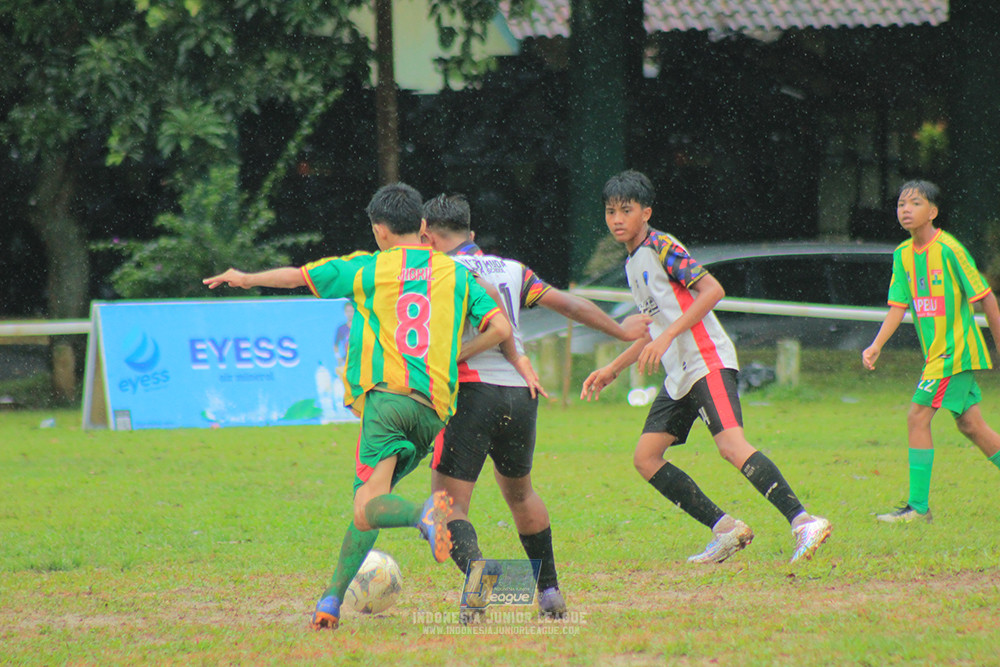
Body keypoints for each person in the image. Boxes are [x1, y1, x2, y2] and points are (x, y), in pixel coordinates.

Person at [203, 182, 512, 630]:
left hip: (386, 402)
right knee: (367, 501)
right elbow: (500, 326)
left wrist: (247, 278)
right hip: (433, 412)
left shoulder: (367, 268)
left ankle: (423, 514)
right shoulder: (455, 273)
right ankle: (330, 600)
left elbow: (298, 276)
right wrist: (454, 357)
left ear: (380, 231)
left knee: (369, 507)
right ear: (423, 226)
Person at [581, 170, 832, 564]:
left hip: (706, 360)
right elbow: (655, 327)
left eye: (625, 210)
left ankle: (804, 521)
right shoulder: (632, 264)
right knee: (646, 458)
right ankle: (727, 530)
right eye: (611, 211)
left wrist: (666, 337)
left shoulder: (661, 245)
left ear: (646, 212)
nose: (616, 219)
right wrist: (614, 367)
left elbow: (712, 290)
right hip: (679, 373)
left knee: (731, 447)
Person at [421, 194, 649, 620]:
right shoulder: (511, 269)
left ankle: (480, 583)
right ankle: (549, 593)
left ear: (427, 236)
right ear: (471, 235)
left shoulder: (438, 270)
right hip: (520, 394)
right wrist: (620, 331)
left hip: (471, 391)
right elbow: (569, 304)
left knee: (445, 504)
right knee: (521, 494)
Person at [863, 180, 1000, 522]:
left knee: (917, 416)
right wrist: (876, 345)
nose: (905, 209)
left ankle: (918, 509)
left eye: (915, 203)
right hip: (937, 356)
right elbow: (898, 306)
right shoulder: (902, 256)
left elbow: (986, 298)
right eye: (900, 204)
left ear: (933, 212)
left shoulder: (949, 249)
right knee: (971, 426)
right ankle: (917, 509)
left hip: (954, 353)